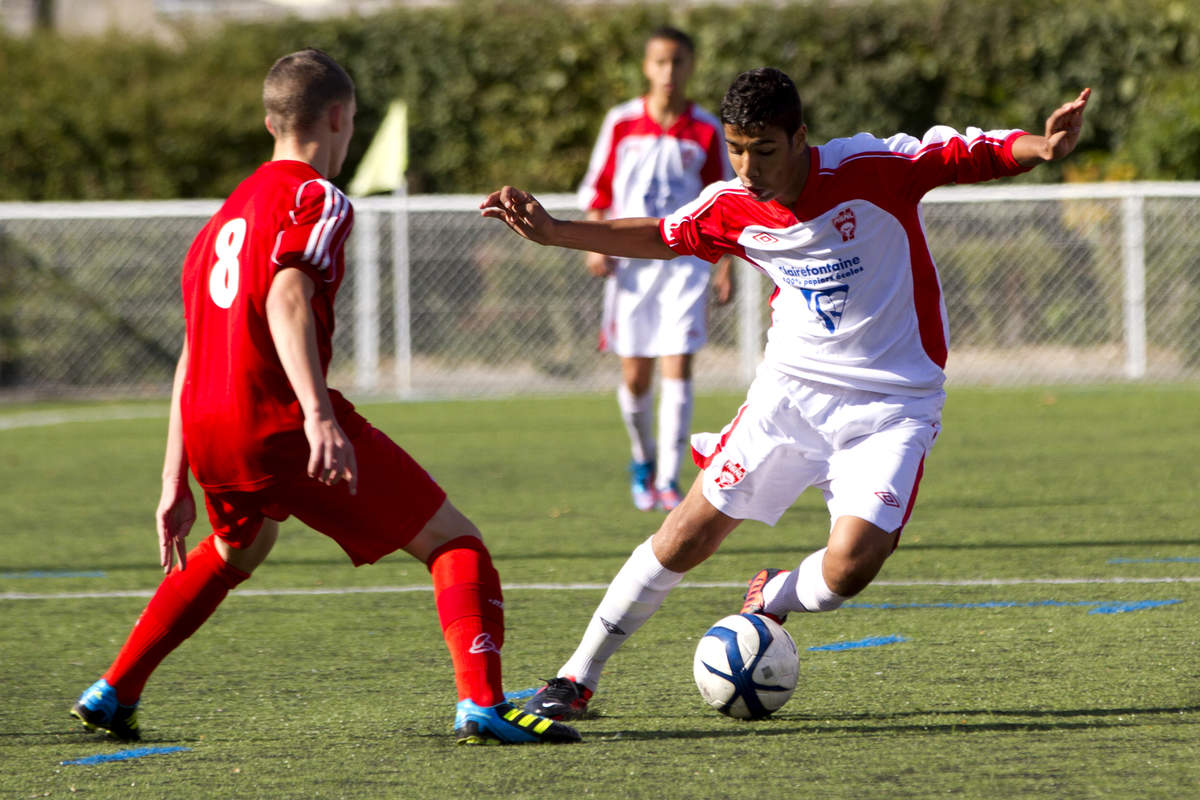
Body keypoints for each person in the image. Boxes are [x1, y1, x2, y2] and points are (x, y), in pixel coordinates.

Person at [481, 68, 1090, 720]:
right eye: (736, 150)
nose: (747, 168)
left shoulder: (870, 169)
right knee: (684, 536)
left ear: (801, 137)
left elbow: (967, 153)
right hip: (790, 397)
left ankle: (773, 595)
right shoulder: (730, 204)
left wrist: (1042, 147)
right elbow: (663, 235)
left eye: (764, 150)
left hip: (893, 408)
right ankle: (576, 677)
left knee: (851, 567)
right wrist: (559, 231)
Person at [70, 48, 579, 746]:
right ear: (339, 118)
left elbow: (194, 348)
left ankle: (113, 690)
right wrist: (316, 416)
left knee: (238, 548)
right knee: (455, 543)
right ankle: (483, 703)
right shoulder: (318, 197)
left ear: (270, 122)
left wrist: (172, 479)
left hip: (210, 427)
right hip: (277, 419)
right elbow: (288, 294)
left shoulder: (221, 220)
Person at [579, 26, 736, 513]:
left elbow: (723, 202)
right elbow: (598, 191)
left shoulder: (705, 129)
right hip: (631, 265)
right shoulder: (622, 123)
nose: (670, 71)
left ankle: (669, 478)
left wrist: (724, 263)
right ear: (647, 67)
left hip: (685, 264)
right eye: (661, 62)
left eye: (679, 61)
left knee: (679, 362)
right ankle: (642, 459)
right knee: (635, 376)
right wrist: (594, 242)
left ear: (691, 66)